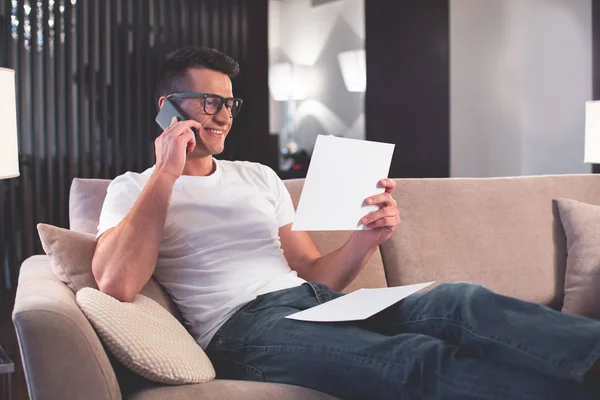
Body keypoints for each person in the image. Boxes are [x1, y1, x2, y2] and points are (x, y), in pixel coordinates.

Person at [91, 46, 600, 400]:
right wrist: (166, 174)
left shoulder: (259, 177)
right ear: (167, 110)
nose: (223, 116)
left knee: (460, 300)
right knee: (413, 360)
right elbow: (116, 282)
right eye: (209, 102)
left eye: (229, 103)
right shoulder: (134, 189)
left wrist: (366, 240)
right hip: (243, 330)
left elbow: (313, 273)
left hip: (317, 304)